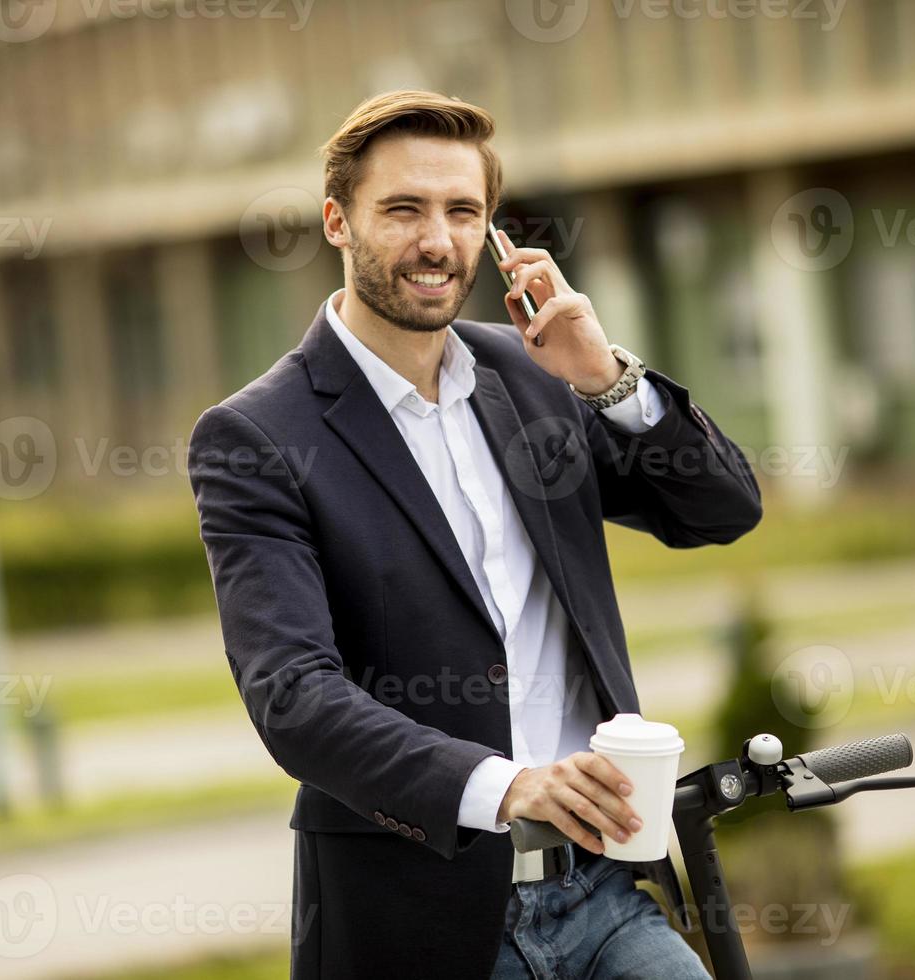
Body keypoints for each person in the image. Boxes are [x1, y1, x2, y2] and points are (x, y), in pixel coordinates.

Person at [187, 89, 760, 979]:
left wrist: (606, 379)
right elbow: (294, 697)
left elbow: (721, 509)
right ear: (337, 222)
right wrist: (505, 786)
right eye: (404, 210)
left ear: (493, 232)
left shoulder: (530, 376)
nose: (437, 240)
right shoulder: (257, 437)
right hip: (421, 924)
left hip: (604, 893)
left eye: (463, 212)